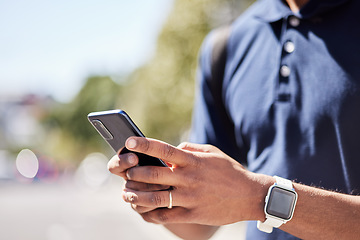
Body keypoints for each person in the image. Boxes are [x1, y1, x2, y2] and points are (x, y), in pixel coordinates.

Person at [108, 0, 360, 239]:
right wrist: (158, 198)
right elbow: (199, 227)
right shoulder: (226, 46)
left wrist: (258, 197)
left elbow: (247, 196)